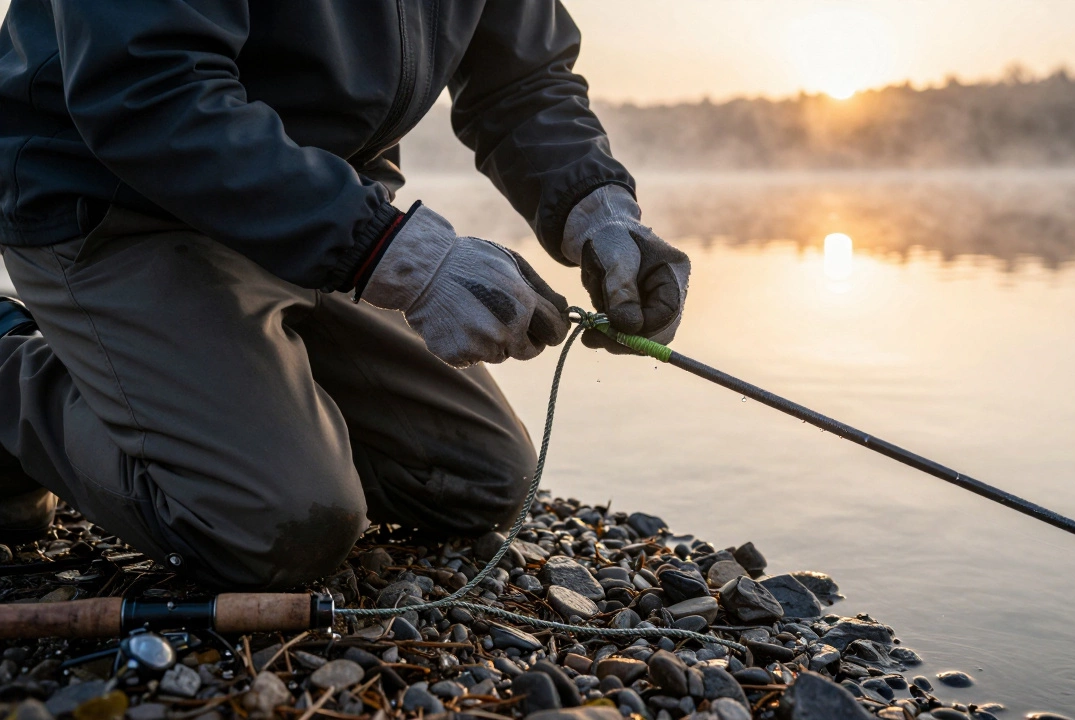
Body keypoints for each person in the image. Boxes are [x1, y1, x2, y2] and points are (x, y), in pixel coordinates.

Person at [0, 1, 689, 589]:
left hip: (314, 208)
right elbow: (146, 88)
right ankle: (12, 376)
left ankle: (221, 388)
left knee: (481, 476)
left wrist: (599, 210)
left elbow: (523, 81)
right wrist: (395, 255)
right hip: (115, 200)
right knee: (272, 525)